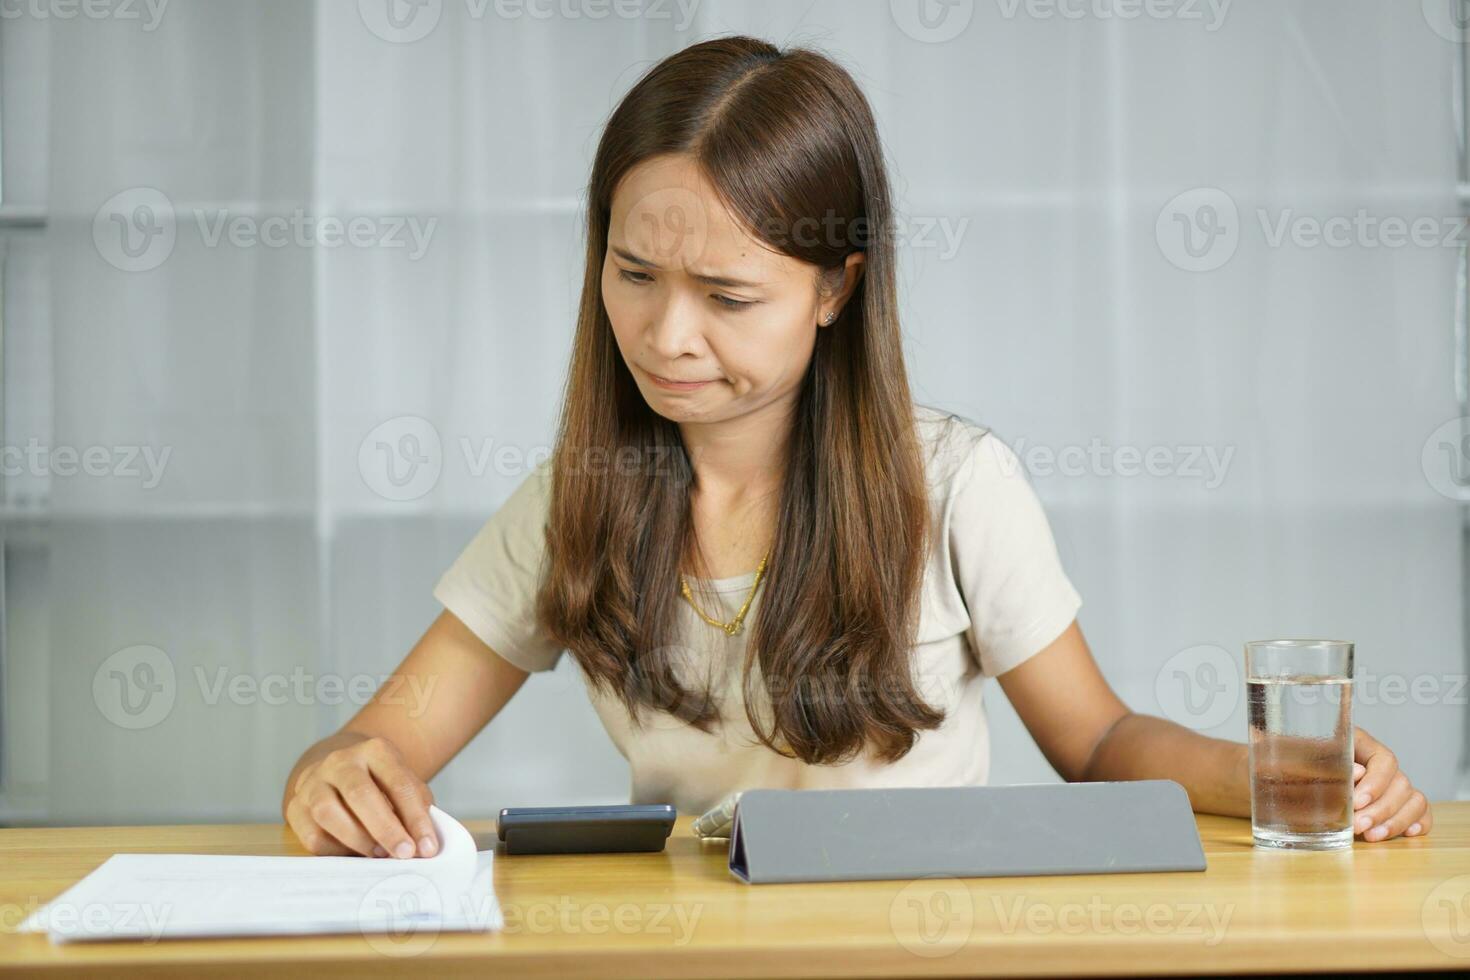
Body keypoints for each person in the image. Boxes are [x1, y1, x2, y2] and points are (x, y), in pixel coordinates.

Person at [282, 35, 1430, 860]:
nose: (667, 334)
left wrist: (1274, 773)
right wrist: (335, 769)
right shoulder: (572, 499)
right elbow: (382, 734)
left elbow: (1099, 740)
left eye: (728, 295)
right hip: (689, 949)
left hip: (914, 941)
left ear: (836, 287)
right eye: (633, 274)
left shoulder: (955, 485)